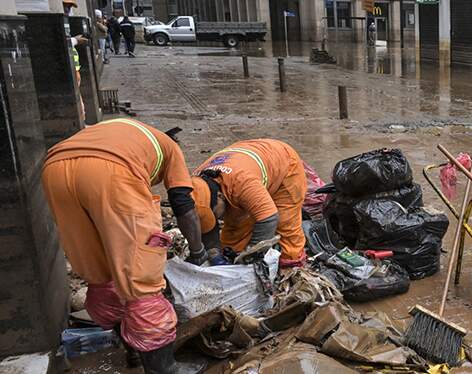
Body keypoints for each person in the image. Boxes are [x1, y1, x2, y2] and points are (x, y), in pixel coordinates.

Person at [41, 119, 208, 373]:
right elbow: (183, 204)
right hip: (112, 171)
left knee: (102, 275)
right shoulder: (171, 149)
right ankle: (164, 369)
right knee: (142, 284)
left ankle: (134, 352)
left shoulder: (125, 132)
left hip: (54, 169)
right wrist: (198, 251)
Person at [190, 139, 308, 267]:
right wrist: (215, 255)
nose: (216, 219)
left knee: (286, 225)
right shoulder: (194, 184)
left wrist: (252, 254)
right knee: (234, 235)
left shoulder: (242, 182)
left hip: (284, 165)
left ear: (219, 196)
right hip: (245, 164)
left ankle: (291, 264)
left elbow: (268, 218)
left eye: (214, 214)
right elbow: (208, 228)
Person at [63, 0, 87, 122]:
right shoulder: (61, 25)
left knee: (80, 104)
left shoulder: (66, 25)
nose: (67, 11)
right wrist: (76, 41)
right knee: (78, 106)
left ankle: (82, 123)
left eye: (69, 7)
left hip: (75, 73)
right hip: (69, 74)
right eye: (65, 7)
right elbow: (61, 43)